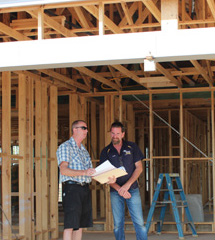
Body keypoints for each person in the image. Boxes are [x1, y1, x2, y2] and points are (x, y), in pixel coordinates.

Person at [100, 121, 147, 240]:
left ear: (123, 134)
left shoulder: (132, 147)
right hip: (115, 191)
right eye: (112, 133)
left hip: (133, 190)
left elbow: (139, 168)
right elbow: (105, 175)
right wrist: (120, 189)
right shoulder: (106, 152)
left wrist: (127, 186)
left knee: (139, 223)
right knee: (117, 225)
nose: (114, 136)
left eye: (117, 133)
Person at [57, 120, 96, 240]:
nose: (86, 131)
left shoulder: (84, 150)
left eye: (86, 128)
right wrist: (84, 172)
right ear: (75, 129)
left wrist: (107, 177)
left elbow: (90, 173)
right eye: (83, 128)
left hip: (84, 188)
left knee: (79, 225)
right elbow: (63, 170)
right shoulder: (65, 147)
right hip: (72, 188)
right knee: (70, 224)